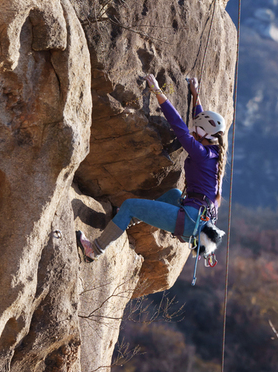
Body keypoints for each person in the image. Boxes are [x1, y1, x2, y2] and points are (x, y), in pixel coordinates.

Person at [76, 74, 226, 262]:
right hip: (197, 221)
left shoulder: (201, 153)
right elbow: (201, 121)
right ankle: (123, 217)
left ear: (203, 133)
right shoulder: (213, 153)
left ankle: (94, 250)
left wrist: (158, 92)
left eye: (196, 129)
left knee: (130, 205)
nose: (193, 129)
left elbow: (179, 126)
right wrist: (195, 95)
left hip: (190, 221)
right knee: (173, 194)